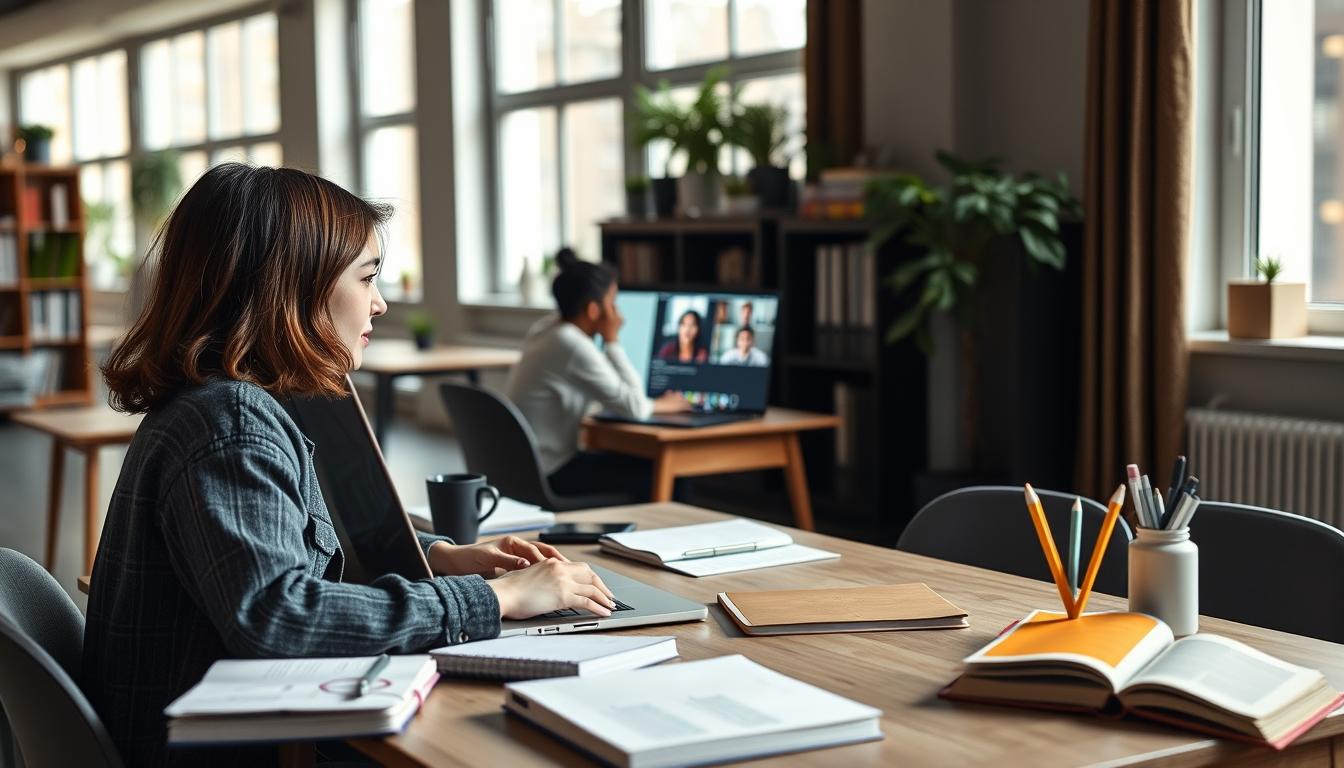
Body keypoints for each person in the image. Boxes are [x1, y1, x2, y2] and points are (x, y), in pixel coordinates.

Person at [86, 165, 617, 768]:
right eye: (367, 278)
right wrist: (491, 600)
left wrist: (436, 556)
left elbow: (290, 544)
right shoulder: (230, 423)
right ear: (293, 287)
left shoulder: (230, 401)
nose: (381, 302)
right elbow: (278, 617)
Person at [505, 248, 684, 498]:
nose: (618, 315)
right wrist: (612, 340)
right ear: (593, 310)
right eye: (612, 304)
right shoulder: (572, 344)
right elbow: (635, 407)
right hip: (552, 474)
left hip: (522, 471)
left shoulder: (547, 328)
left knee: (629, 461)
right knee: (671, 474)